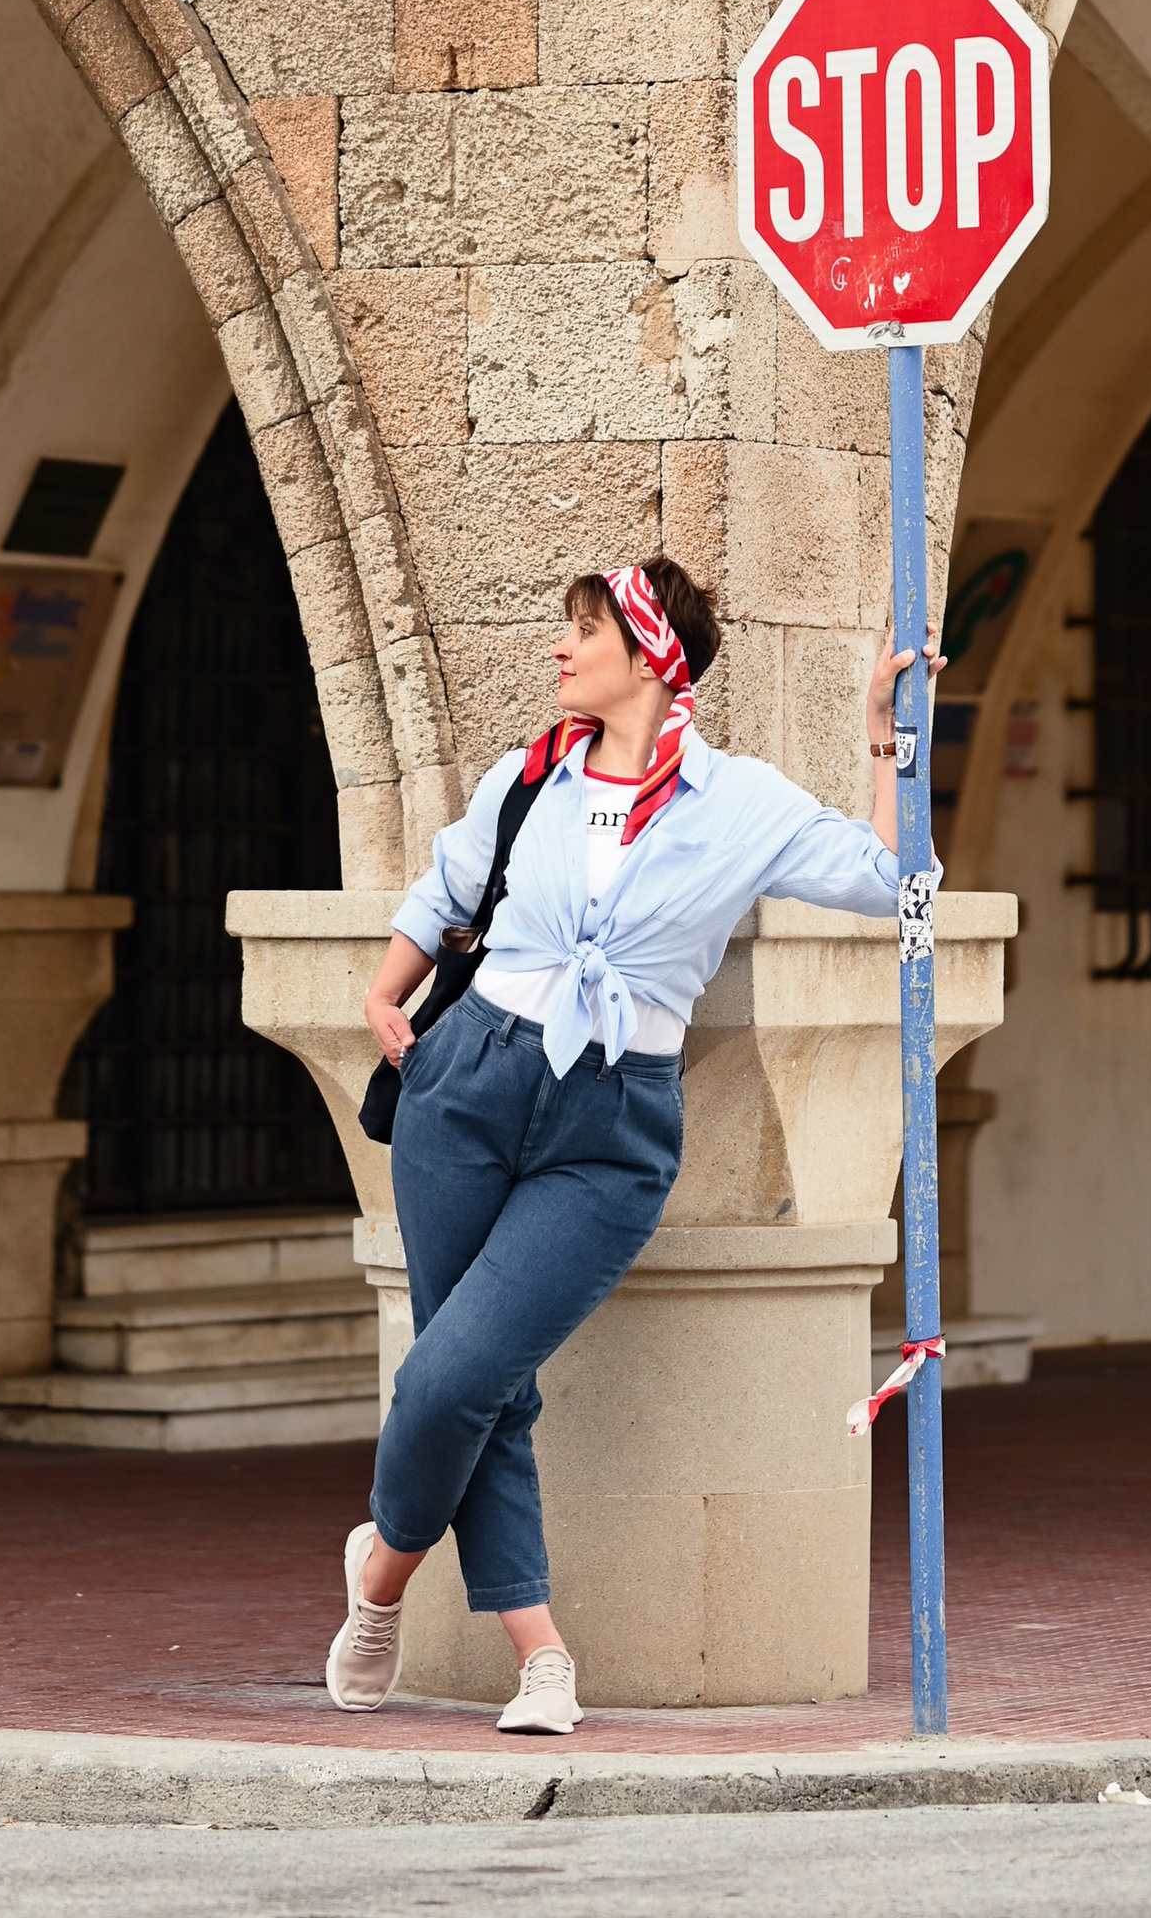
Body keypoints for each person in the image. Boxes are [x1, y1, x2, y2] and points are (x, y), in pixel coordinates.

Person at [324, 555, 939, 1736]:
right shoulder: (530, 775)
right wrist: (382, 992)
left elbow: (893, 881)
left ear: (652, 654)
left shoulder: (742, 800)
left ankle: (381, 1573)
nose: (560, 648)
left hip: (612, 1123)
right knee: (483, 1389)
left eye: (585, 629)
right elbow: (446, 883)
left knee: (454, 1379)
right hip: (467, 1085)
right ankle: (541, 1656)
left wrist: (882, 732)